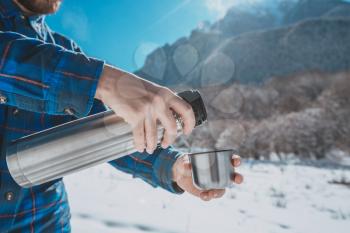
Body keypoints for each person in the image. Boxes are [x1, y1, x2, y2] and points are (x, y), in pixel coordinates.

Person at [0, 0, 243, 232]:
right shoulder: (74, 62)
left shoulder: (67, 50)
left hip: (45, 221)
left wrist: (174, 167)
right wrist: (104, 81)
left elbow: (102, 136)